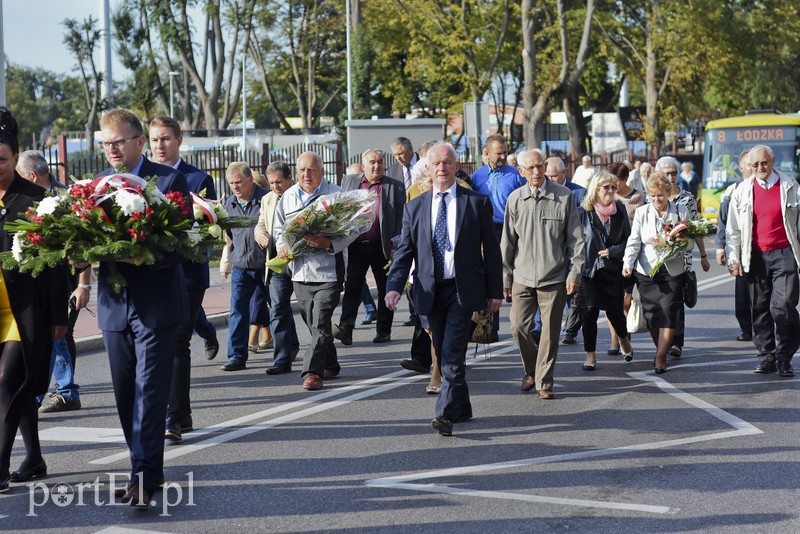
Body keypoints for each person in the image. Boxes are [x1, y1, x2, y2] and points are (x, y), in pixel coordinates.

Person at [95, 107, 190, 505]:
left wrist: (142, 255)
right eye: (106, 143)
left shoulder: (170, 180)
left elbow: (182, 243)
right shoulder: (97, 186)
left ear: (138, 141)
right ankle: (142, 467)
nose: (112, 149)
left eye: (118, 141)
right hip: (115, 305)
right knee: (124, 395)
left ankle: (145, 478)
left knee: (150, 393)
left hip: (156, 305)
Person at [386, 143, 502, 436]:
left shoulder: (477, 203)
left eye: (447, 162)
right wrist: (393, 287)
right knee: (441, 347)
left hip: (463, 289)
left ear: (455, 165)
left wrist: (495, 291)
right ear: (428, 168)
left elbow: (491, 250)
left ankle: (444, 413)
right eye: (436, 163)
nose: (442, 168)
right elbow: (405, 252)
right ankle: (462, 407)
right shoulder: (415, 206)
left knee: (451, 353)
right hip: (429, 289)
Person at [0, 108, 69, 493]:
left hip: (25, 308)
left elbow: (59, 262)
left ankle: (0, 465)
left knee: (8, 377)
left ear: (15, 160)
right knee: (20, 385)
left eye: (2, 159)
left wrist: (60, 313)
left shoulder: (38, 201)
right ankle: (35, 456)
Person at [149, 115, 217, 441]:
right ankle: (183, 413)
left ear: (179, 140)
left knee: (177, 342)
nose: (160, 145)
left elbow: (208, 229)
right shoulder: (142, 178)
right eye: (155, 139)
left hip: (188, 274)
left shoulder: (198, 178)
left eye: (166, 139)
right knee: (162, 344)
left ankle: (172, 418)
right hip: (149, 274)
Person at [273, 151, 360, 391]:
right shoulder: (288, 197)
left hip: (329, 272)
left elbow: (353, 229)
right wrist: (282, 246)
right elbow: (279, 229)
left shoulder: (336, 195)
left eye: (311, 170)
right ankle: (331, 364)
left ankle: (312, 373)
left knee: (321, 321)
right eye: (302, 170)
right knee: (314, 325)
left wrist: (329, 243)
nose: (306, 175)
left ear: (322, 171)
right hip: (300, 272)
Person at [501, 149, 584, 399]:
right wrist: (505, 277)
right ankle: (532, 369)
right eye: (531, 168)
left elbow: (576, 240)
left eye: (540, 166)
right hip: (522, 276)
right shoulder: (515, 199)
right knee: (518, 327)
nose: (536, 172)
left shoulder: (564, 196)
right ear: (521, 171)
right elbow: (507, 242)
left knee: (549, 332)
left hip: (554, 276)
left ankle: (544, 381)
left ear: (546, 166)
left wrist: (574, 274)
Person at [17, 151, 90, 414]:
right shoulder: (22, 198)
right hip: (34, 279)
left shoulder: (67, 198)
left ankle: (54, 392)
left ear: (32, 175)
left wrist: (84, 285)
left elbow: (83, 245)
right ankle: (58, 390)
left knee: (55, 336)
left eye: (19, 174)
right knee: (50, 336)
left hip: (63, 280)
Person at [726, 144, 800, 377]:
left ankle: (785, 357)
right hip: (754, 256)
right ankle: (767, 356)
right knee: (759, 308)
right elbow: (733, 229)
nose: (760, 167)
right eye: (755, 164)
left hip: (784, 254)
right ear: (749, 166)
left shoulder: (790, 186)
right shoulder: (741, 191)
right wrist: (733, 257)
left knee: (783, 307)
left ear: (773, 161)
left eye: (764, 163)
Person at [622, 172, 692, 374]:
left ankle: (660, 357)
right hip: (646, 272)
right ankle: (661, 347)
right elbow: (633, 241)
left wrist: (680, 243)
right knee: (652, 315)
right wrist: (628, 263)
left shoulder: (680, 212)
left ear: (668, 193)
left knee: (669, 312)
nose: (656, 200)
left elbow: (691, 242)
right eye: (652, 196)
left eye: (660, 195)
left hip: (672, 270)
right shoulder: (642, 213)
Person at [333, 149, 405, 345]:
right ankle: (346, 328)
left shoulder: (395, 187)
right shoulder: (349, 182)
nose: (376, 166)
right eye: (372, 162)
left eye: (380, 161)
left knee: (385, 289)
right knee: (352, 288)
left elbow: (401, 220)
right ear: (363, 165)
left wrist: (395, 245)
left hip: (383, 247)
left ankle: (383, 330)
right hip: (356, 246)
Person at [471, 134, 525, 342]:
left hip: (507, 228)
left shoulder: (515, 175)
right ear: (487, 152)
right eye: (498, 153)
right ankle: (487, 327)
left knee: (504, 273)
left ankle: (524, 323)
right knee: (485, 276)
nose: (502, 156)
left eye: (505, 152)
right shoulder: (477, 176)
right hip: (483, 230)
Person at [656, 156, 711, 359]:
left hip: (681, 258)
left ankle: (676, 343)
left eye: (673, 173)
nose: (671, 177)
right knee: (659, 303)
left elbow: (695, 228)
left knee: (676, 302)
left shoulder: (687, 199)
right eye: (667, 173)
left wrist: (704, 255)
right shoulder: (652, 197)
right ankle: (660, 339)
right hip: (657, 259)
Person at [578, 172, 634, 370]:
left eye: (613, 187)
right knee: (589, 312)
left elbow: (629, 239)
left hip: (612, 269)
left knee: (616, 314)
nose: (611, 191)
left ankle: (624, 338)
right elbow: (575, 240)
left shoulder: (619, 209)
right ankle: (590, 355)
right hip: (589, 271)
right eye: (606, 187)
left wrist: (612, 251)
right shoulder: (583, 211)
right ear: (596, 189)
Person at [219, 162, 269, 372]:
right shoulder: (229, 204)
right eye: (231, 183)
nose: (235, 187)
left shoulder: (267, 199)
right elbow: (229, 236)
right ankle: (237, 356)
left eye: (239, 182)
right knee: (238, 312)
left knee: (278, 309)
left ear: (250, 180)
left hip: (267, 265)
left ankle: (287, 350)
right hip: (241, 266)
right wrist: (228, 261)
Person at [254, 161, 300, 375]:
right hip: (277, 264)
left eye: (279, 182)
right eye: (271, 183)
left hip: (301, 263)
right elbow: (261, 223)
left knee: (310, 313)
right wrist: (260, 235)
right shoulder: (267, 199)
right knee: (278, 309)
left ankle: (324, 356)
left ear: (290, 178)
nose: (275, 186)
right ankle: (282, 359)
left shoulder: (302, 195)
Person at [543, 156, 586, 346]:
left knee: (573, 295)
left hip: (571, 251)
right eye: (548, 176)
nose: (550, 180)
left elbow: (581, 226)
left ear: (564, 173)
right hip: (550, 251)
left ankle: (571, 330)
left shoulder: (578, 193)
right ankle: (539, 329)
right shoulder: (542, 191)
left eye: (554, 176)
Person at [607, 161, 645, 355]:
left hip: (631, 253)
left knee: (626, 299)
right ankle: (616, 338)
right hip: (612, 252)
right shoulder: (607, 196)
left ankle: (624, 330)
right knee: (612, 299)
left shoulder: (638, 198)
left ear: (625, 179)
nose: (613, 186)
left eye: (617, 182)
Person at [715, 149, 753, 342]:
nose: (754, 168)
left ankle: (765, 326)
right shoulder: (732, 191)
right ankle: (746, 328)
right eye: (750, 164)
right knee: (743, 293)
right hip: (740, 250)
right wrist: (721, 247)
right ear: (741, 168)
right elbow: (723, 221)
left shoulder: (769, 188)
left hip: (764, 249)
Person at [345, 162, 377, 325]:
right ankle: (369, 309)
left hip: (375, 244)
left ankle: (372, 310)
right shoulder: (347, 194)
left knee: (358, 283)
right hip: (354, 245)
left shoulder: (371, 192)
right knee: (354, 282)